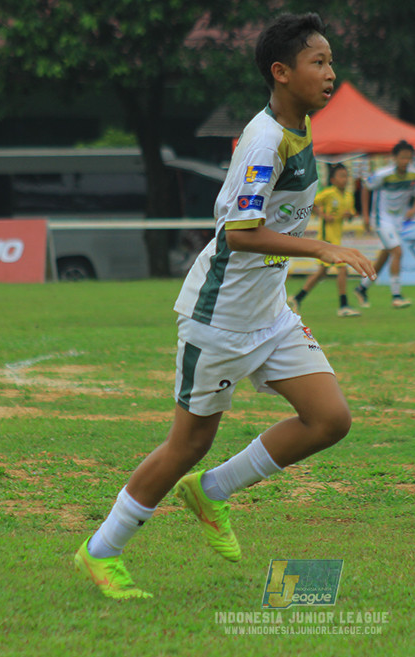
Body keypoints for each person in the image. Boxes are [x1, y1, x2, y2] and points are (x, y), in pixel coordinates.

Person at [72, 12, 376, 600]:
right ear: (281, 72)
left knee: (330, 419)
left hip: (270, 314)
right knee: (187, 443)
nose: (331, 73)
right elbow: (239, 233)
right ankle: (101, 550)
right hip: (220, 318)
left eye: (331, 61)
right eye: (318, 62)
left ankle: (210, 491)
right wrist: (321, 248)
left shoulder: (299, 124)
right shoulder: (264, 140)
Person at [353, 140, 415, 309]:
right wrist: (365, 215)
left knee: (386, 255)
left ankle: (362, 288)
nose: (405, 161)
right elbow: (366, 188)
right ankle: (396, 296)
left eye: (408, 158)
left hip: (398, 221)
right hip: (382, 219)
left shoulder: (414, 175)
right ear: (395, 158)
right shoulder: (383, 174)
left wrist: (413, 209)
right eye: (402, 157)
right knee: (397, 251)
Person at [288, 163, 361, 317]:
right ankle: (343, 306)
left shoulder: (348, 196)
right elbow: (312, 203)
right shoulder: (328, 193)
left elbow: (350, 214)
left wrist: (349, 215)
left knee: (322, 272)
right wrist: (323, 215)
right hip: (327, 238)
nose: (345, 179)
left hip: (337, 237)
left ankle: (297, 298)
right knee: (343, 268)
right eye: (341, 176)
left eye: (346, 176)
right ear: (333, 179)